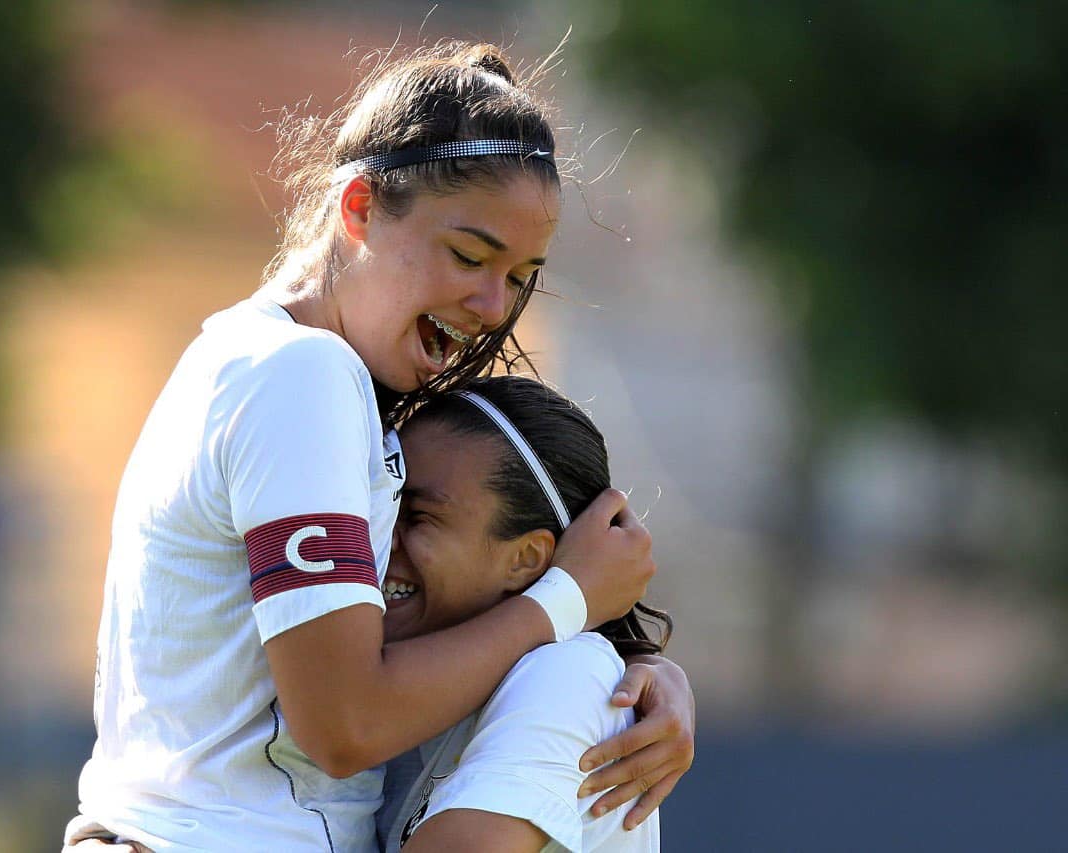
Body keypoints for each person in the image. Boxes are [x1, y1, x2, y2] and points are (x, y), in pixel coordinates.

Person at [65, 41, 694, 852]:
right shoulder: (301, 375)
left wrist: (635, 668)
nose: (492, 304)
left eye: (520, 275)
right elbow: (346, 722)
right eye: (469, 256)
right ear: (358, 206)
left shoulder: (273, 365)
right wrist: (569, 600)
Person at [376, 375, 669, 852]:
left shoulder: (568, 676)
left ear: (527, 559)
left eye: (418, 517)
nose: (376, 538)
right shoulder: (417, 688)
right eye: (381, 508)